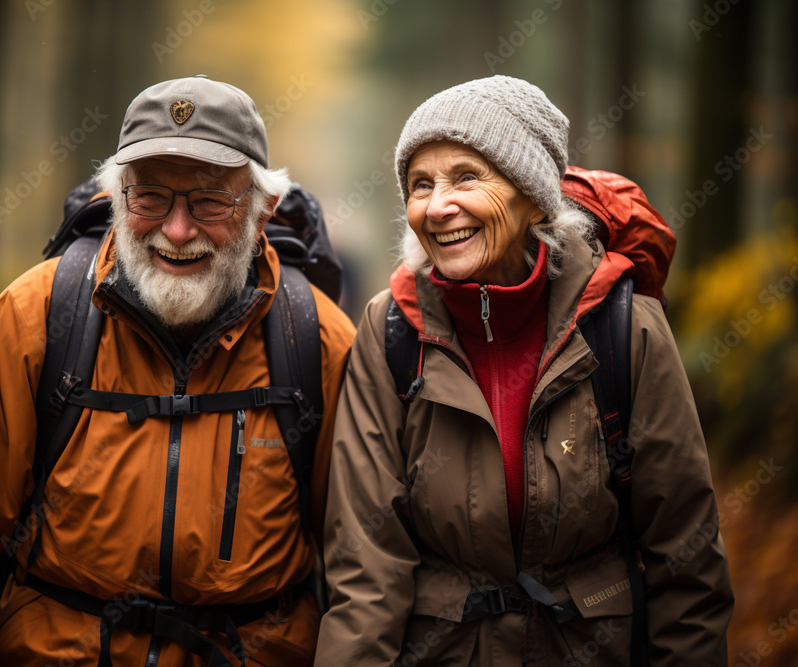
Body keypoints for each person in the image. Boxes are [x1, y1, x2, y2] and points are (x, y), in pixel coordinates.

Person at [0, 75, 355, 666]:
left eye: (209, 201)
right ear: (116, 197)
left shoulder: (315, 339)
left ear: (262, 211)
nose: (177, 230)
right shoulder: (38, 314)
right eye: (150, 197)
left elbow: (365, 561)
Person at [314, 75, 733, 665]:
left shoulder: (623, 327)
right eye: (420, 184)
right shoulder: (392, 332)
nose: (437, 206)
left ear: (534, 195)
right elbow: (366, 570)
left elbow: (685, 559)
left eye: (466, 176)